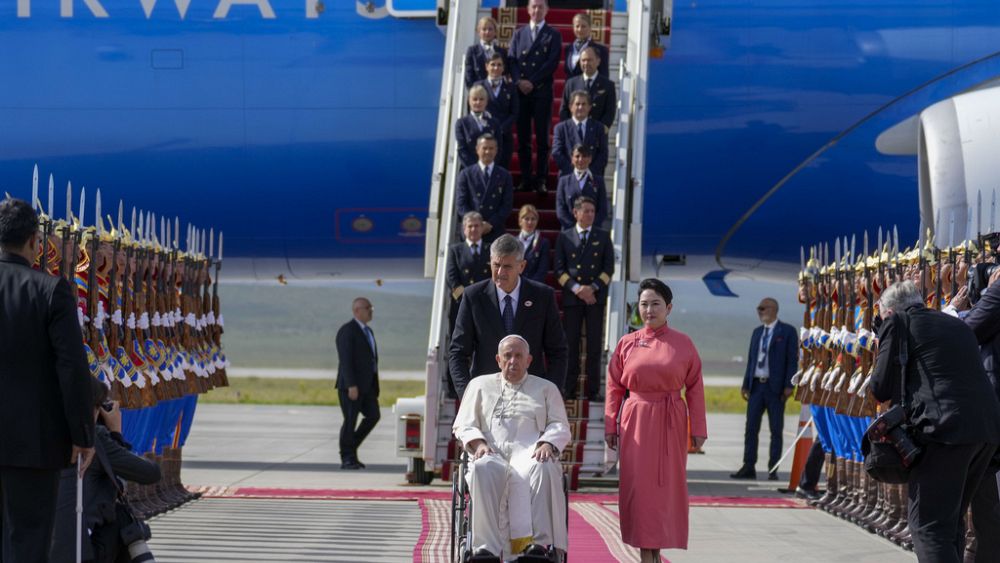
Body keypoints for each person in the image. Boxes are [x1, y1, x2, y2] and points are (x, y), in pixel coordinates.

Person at [871, 281, 1000, 563]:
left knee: (928, 527)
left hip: (945, 432)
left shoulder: (897, 323)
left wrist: (882, 338)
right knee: (950, 522)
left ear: (889, 312)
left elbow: (880, 387)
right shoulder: (954, 324)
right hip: (984, 431)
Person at [0, 197, 96, 562]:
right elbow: (71, 369)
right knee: (29, 540)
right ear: (34, 243)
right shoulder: (51, 290)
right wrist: (82, 435)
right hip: (34, 443)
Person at [605, 279, 706, 563]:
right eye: (644, 304)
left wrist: (697, 429)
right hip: (635, 421)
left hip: (670, 421)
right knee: (638, 489)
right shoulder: (627, 343)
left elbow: (695, 387)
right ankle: (644, 553)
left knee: (665, 489)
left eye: (656, 304)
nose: (649, 310)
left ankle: (655, 552)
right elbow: (614, 386)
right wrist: (611, 423)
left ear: (669, 308)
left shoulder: (683, 343)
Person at [452, 335, 570, 560]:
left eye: (518, 356)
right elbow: (464, 424)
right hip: (491, 452)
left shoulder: (547, 388)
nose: (512, 361)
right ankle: (485, 548)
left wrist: (547, 442)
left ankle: (538, 546)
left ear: (529, 360)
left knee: (543, 467)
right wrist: (478, 444)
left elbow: (559, 425)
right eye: (507, 356)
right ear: (498, 359)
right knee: (482, 468)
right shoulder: (478, 385)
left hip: (530, 453)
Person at [51, 379, 161, 563]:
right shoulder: (93, 440)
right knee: (121, 517)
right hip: (79, 551)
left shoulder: (40, 436)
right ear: (93, 409)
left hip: (34, 546)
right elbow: (150, 473)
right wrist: (116, 432)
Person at [449, 234, 568, 399]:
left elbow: (558, 351)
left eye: (507, 267)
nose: (500, 272)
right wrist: (467, 395)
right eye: (496, 265)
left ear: (522, 266)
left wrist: (549, 393)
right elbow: (458, 352)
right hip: (486, 396)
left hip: (531, 397)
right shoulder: (473, 297)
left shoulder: (543, 297)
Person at [942, 274, 1000, 562]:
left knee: (984, 488)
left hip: (991, 405)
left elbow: (967, 331)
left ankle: (981, 551)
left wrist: (953, 310)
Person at [731, 297, 799, 481]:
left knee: (776, 430)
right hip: (756, 386)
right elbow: (751, 360)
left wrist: (789, 385)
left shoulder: (787, 332)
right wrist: (746, 384)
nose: (760, 312)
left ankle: (773, 467)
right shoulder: (757, 332)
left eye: (763, 308)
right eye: (758, 309)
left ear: (774, 309)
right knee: (751, 428)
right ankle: (748, 465)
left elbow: (792, 361)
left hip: (775, 388)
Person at [554, 196, 614, 400]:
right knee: (571, 345)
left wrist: (592, 288)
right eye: (586, 210)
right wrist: (578, 289)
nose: (589, 214)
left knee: (594, 347)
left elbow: (608, 269)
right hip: (573, 298)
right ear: (575, 213)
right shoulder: (565, 237)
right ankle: (568, 388)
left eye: (592, 211)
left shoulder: (604, 236)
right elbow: (559, 270)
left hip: (594, 299)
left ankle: (593, 390)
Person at [509, 0, 562, 194]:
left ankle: (541, 178)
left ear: (547, 10)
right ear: (528, 9)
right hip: (521, 93)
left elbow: (552, 62)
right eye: (533, 6)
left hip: (541, 91)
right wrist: (518, 81)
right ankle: (525, 177)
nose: (536, 10)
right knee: (523, 138)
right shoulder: (518, 34)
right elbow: (512, 60)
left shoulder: (553, 34)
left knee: (542, 138)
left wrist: (532, 81)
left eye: (541, 6)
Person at [335, 297, 381, 470]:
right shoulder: (347, 331)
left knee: (373, 415)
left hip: (367, 386)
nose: (371, 311)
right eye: (368, 308)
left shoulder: (367, 331)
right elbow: (345, 360)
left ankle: (351, 448)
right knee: (350, 420)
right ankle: (347, 457)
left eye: (371, 308)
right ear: (357, 310)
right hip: (351, 386)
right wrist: (351, 385)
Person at [455, 134, 513, 245]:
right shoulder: (466, 174)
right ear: (477, 149)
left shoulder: (505, 175)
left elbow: (507, 205)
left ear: (496, 150)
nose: (488, 152)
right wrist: (476, 224)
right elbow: (461, 204)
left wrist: (490, 224)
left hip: (495, 231)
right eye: (484, 148)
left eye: (491, 148)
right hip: (471, 232)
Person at [447, 212, 492, 331]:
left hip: (486, 304)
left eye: (477, 226)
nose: (473, 229)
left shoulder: (491, 250)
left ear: (482, 228)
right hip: (462, 304)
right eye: (470, 226)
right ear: (464, 229)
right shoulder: (455, 250)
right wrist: (466, 299)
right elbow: (452, 279)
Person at [476, 52, 519, 169]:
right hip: (483, 136)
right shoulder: (479, 86)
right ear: (486, 66)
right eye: (493, 64)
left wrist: (500, 129)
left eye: (499, 65)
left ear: (504, 68)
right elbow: (474, 110)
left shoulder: (511, 88)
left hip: (504, 136)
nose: (496, 68)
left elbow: (515, 112)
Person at [552, 90, 608, 178]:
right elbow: (557, 153)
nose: (580, 107)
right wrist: (574, 172)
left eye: (584, 104)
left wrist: (588, 172)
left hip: (592, 177)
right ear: (571, 107)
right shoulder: (561, 128)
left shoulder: (599, 127)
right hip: (568, 176)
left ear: (589, 107)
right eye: (577, 104)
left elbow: (603, 154)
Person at [559, 47, 616, 130]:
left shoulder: (608, 85)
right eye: (583, 60)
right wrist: (569, 129)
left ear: (598, 61)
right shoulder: (571, 83)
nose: (586, 63)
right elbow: (564, 110)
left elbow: (609, 112)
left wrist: (601, 130)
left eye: (589, 60)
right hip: (574, 133)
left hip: (597, 135)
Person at [555, 144, 608, 230]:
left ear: (590, 159)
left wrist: (589, 227)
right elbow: (560, 209)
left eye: (584, 156)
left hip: (592, 231)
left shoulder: (598, 181)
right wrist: (576, 229)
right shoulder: (564, 181)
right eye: (577, 156)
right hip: (570, 231)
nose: (580, 159)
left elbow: (603, 209)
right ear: (572, 158)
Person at [455, 85, 502, 169]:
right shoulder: (461, 123)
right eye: (475, 99)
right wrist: (476, 169)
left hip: (490, 170)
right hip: (469, 170)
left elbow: (499, 148)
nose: (478, 102)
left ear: (486, 101)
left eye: (481, 99)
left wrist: (489, 167)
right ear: (469, 101)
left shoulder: (494, 123)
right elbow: (462, 150)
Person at [464, 16, 508, 88]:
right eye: (484, 29)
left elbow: (505, 73)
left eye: (490, 29)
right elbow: (469, 76)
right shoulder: (472, 51)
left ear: (495, 32)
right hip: (479, 93)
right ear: (478, 31)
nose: (487, 32)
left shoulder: (502, 51)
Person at [563, 12, 609, 78]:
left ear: (590, 27)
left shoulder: (601, 50)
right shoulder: (568, 48)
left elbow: (604, 77)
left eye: (583, 26)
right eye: (577, 26)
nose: (580, 29)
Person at [517, 204, 550, 284]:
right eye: (526, 219)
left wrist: (530, 286)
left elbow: (542, 270)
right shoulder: (512, 241)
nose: (530, 222)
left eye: (533, 219)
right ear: (520, 221)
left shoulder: (543, 243)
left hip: (534, 286)